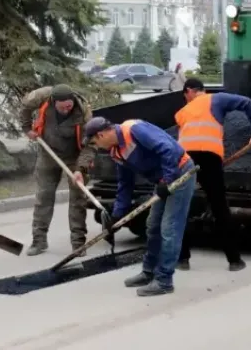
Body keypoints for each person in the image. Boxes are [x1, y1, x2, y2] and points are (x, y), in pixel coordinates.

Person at [80, 116, 196, 297]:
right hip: (162, 181)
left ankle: (164, 280)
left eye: (95, 142)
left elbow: (167, 149)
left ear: (101, 135)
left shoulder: (134, 130)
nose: (98, 148)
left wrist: (167, 179)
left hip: (180, 173)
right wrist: (117, 217)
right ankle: (148, 272)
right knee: (153, 226)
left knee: (169, 228)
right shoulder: (116, 152)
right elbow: (125, 184)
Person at [175, 78, 251, 272]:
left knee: (183, 208)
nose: (186, 100)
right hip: (210, 158)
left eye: (185, 96)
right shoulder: (216, 100)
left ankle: (182, 259)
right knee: (220, 208)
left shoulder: (181, 113)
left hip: (185, 160)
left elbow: (178, 142)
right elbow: (247, 102)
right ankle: (234, 260)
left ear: (190, 91)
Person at [19, 83, 96, 256]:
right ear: (54, 102)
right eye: (62, 108)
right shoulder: (42, 96)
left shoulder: (84, 113)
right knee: (43, 197)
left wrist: (80, 168)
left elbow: (90, 145)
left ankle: (78, 243)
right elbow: (25, 106)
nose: (66, 110)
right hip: (48, 152)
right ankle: (39, 241)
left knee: (78, 199)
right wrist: (26, 128)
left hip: (75, 157)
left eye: (69, 106)